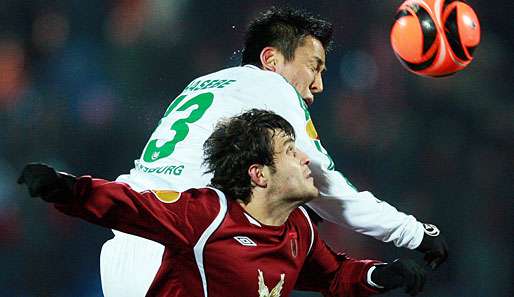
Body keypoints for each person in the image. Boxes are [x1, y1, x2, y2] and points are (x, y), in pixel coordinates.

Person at [84, 7, 446, 297]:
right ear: (272, 60)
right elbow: (327, 187)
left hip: (129, 241)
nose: (318, 85)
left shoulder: (205, 84)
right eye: (313, 67)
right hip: (180, 248)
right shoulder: (272, 88)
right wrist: (412, 233)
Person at [18, 109, 428, 297]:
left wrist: (381, 276)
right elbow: (131, 206)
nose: (307, 158)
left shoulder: (298, 228)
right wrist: (66, 188)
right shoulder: (209, 214)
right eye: (290, 150)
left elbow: (333, 276)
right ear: (259, 174)